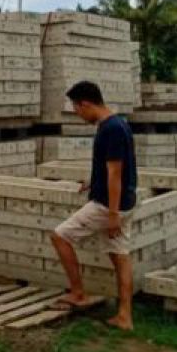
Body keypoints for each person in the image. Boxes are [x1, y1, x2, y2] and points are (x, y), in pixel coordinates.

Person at [48, 80, 138, 330]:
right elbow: (115, 166)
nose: (77, 114)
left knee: (59, 236)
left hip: (108, 206)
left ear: (86, 103)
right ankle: (124, 316)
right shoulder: (117, 124)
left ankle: (77, 292)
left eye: (77, 109)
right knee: (121, 256)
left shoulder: (110, 129)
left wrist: (111, 215)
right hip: (124, 202)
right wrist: (93, 181)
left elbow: (115, 174)